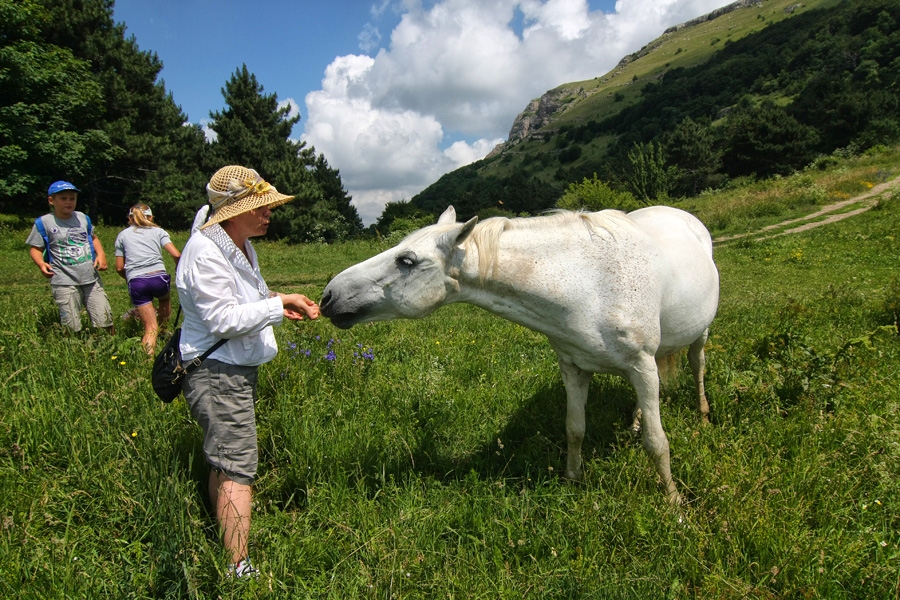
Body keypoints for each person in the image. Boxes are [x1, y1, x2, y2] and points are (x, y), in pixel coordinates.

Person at [176, 165, 320, 579]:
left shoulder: (236, 244)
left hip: (230, 367)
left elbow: (246, 296)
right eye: (261, 205)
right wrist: (277, 306)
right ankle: (239, 568)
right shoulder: (206, 252)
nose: (269, 211)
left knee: (223, 460)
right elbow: (222, 319)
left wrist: (282, 299)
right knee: (239, 466)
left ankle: (222, 536)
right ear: (234, 210)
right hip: (218, 371)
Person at [26, 180, 114, 333]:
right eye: (63, 198)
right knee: (71, 323)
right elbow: (35, 248)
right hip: (63, 280)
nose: (69, 202)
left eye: (72, 198)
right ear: (51, 200)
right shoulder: (44, 223)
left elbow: (93, 238)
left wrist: (101, 255)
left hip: (91, 278)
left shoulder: (82, 218)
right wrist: (41, 263)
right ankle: (74, 348)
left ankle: (108, 347)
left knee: (104, 317)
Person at [114, 203, 182, 353]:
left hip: (138, 281)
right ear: (151, 217)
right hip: (159, 278)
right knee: (164, 299)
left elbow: (119, 267)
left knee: (150, 328)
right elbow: (176, 254)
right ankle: (164, 331)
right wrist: (179, 269)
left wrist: (129, 278)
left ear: (130, 219)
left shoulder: (123, 235)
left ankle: (148, 363)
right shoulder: (158, 231)